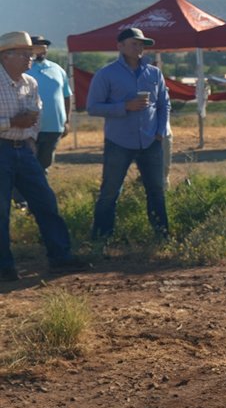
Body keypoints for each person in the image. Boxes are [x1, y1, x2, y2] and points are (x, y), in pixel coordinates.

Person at [0, 32, 86, 280]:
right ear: (6, 56)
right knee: (1, 210)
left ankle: (61, 257)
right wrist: (12, 122)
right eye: (25, 53)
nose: (30, 57)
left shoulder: (30, 83)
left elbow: (37, 113)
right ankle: (4, 266)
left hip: (23, 150)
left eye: (31, 53)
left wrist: (29, 138)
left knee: (46, 202)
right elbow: (26, 117)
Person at [87, 27, 170, 242]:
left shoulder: (154, 73)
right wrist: (124, 106)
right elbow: (93, 107)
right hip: (119, 142)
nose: (139, 47)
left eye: (141, 44)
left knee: (156, 191)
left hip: (150, 140)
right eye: (134, 43)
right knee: (110, 192)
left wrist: (160, 132)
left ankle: (162, 237)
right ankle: (100, 239)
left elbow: (164, 104)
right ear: (120, 46)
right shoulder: (106, 74)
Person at [24, 35, 69, 172]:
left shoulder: (57, 69)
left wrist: (66, 121)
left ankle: (40, 192)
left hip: (53, 127)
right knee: (27, 167)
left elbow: (67, 96)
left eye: (44, 47)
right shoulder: (23, 68)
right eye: (38, 46)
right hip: (28, 127)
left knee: (44, 166)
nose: (42, 50)